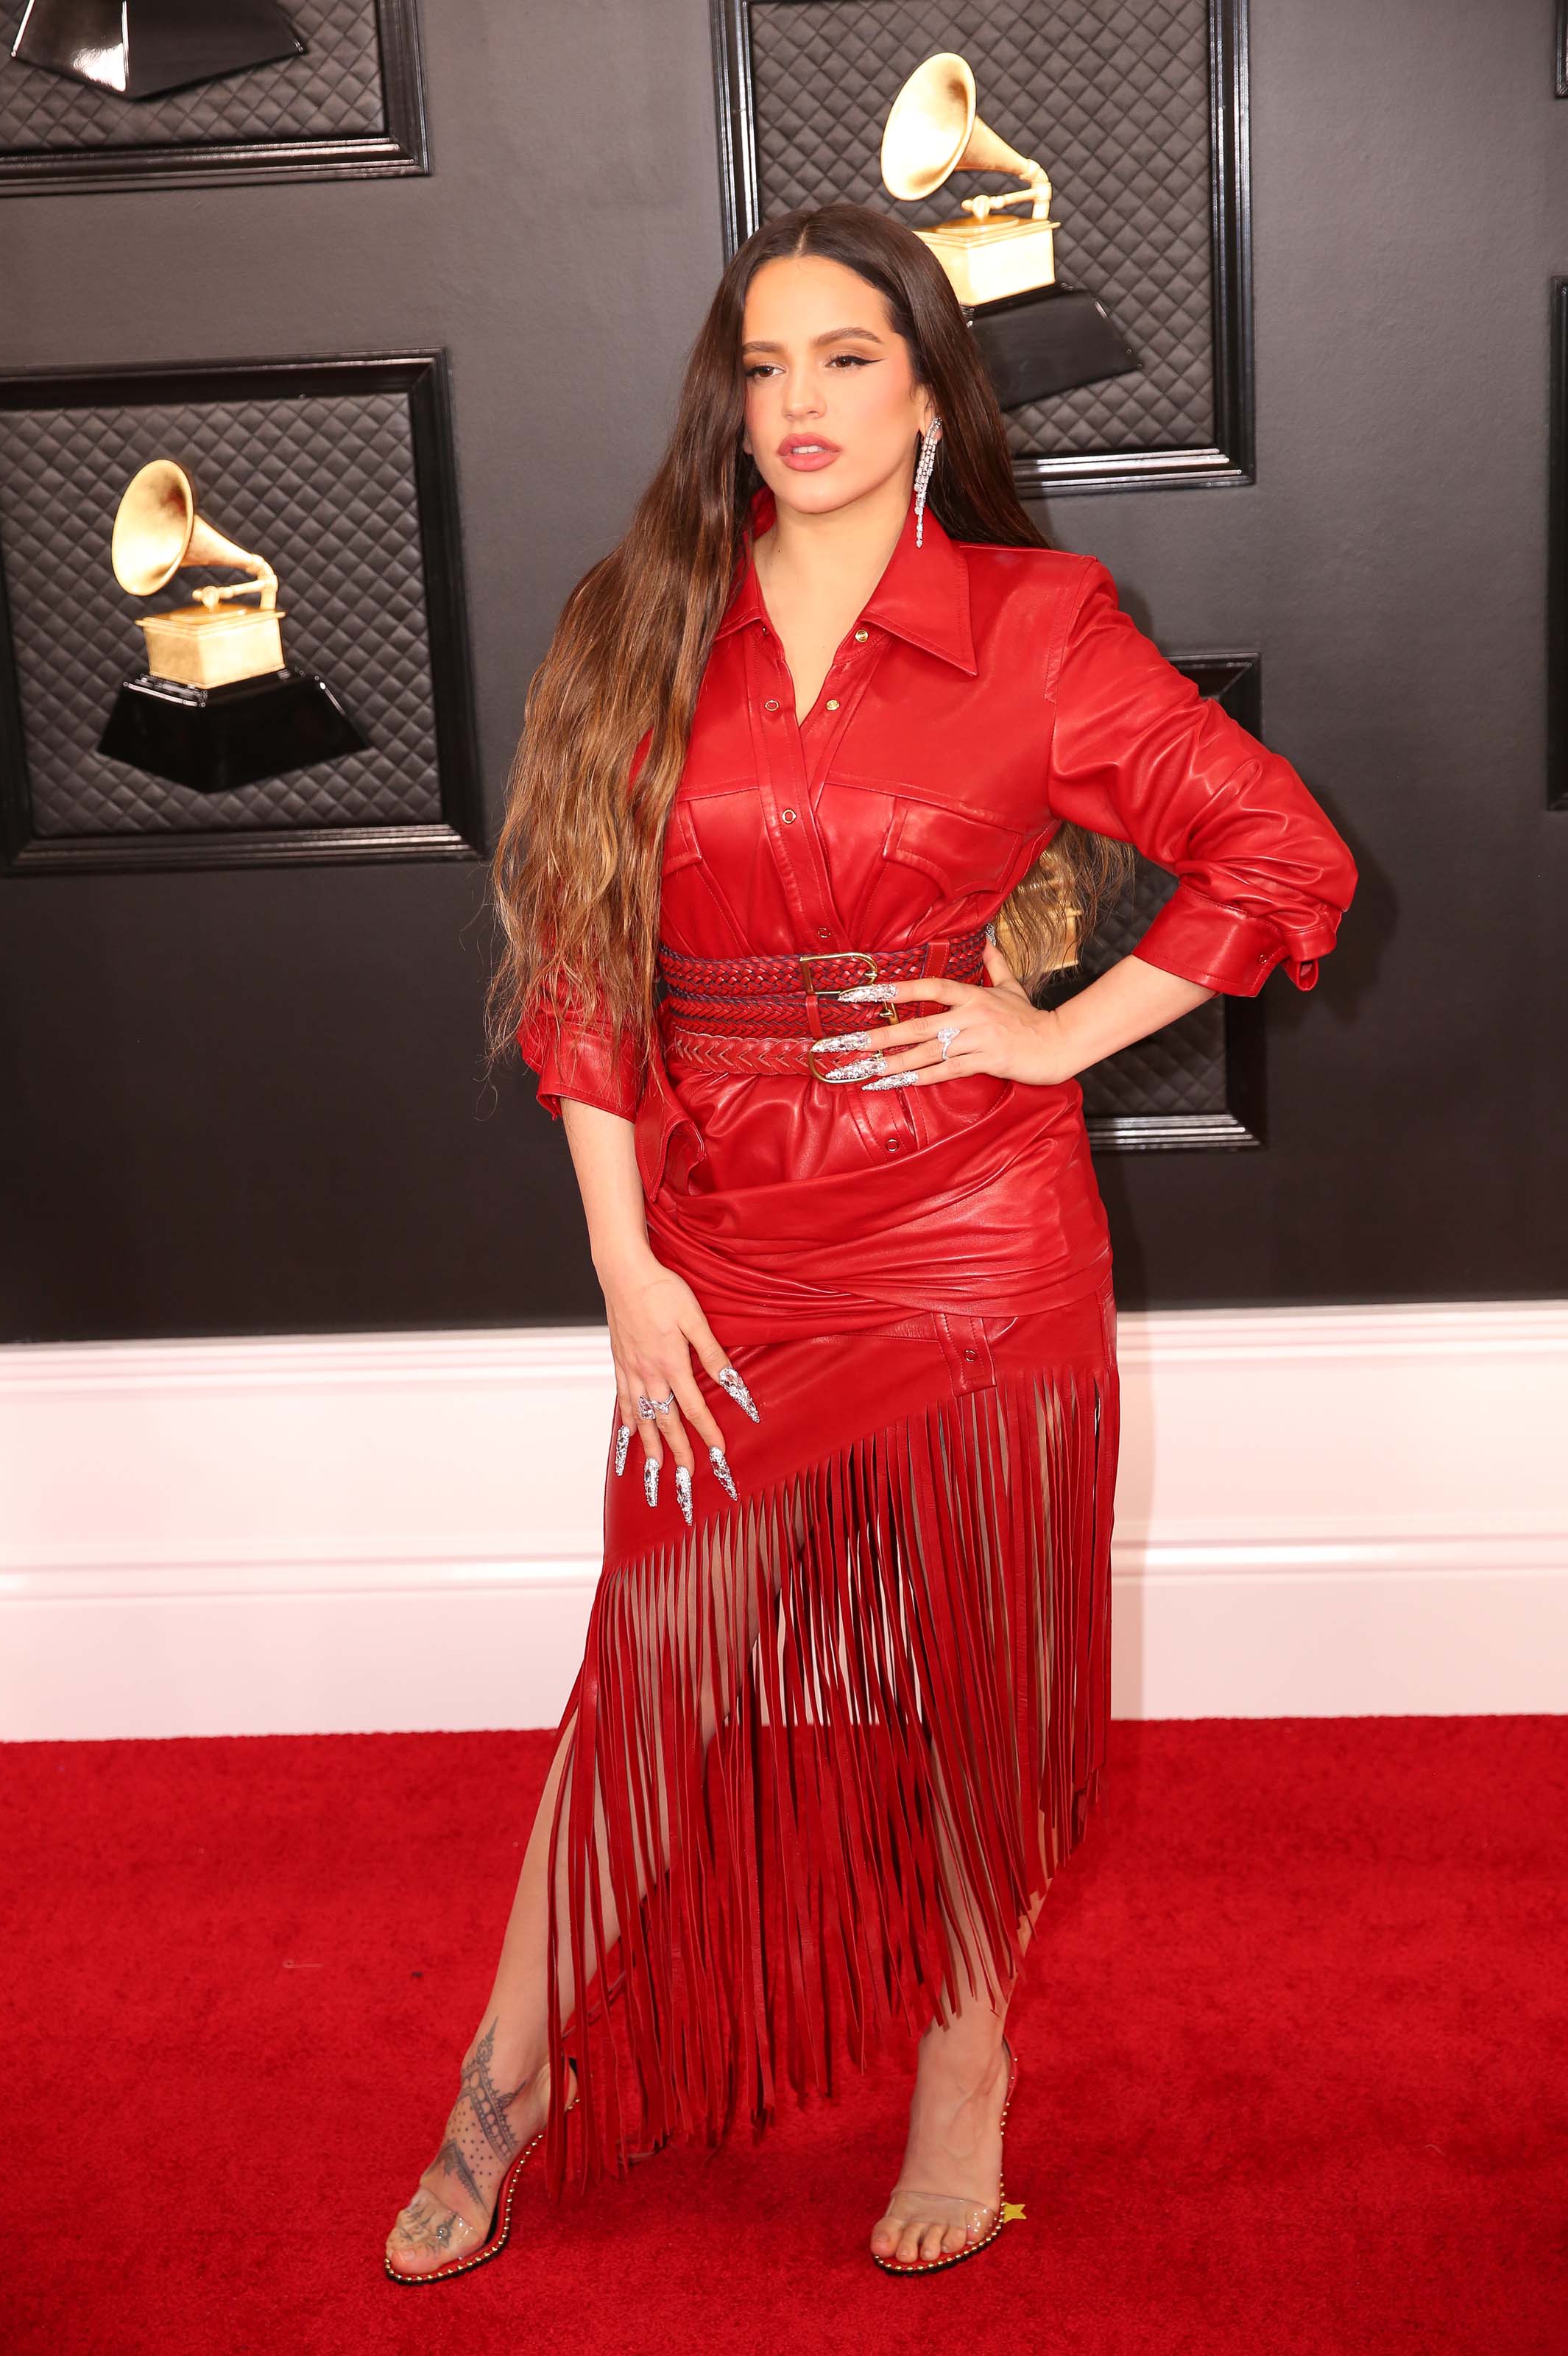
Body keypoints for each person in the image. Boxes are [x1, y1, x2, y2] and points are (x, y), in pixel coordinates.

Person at [384, 201, 1357, 2285]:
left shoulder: (1041, 623)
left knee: (974, 1693)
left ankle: (960, 2069)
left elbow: (1279, 853)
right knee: (641, 1687)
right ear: (724, 399)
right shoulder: (632, 617)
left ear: (929, 383)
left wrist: (1055, 1035)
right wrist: (625, 1270)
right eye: (763, 362)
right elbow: (577, 969)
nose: (798, 402)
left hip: (977, 1243)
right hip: (721, 1243)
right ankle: (503, 2079)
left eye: (845, 356)